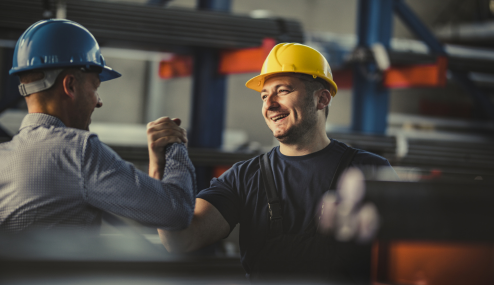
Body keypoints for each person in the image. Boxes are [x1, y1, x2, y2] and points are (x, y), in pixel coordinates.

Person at [157, 43, 397, 281]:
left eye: (282, 90)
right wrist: (160, 164)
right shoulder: (244, 177)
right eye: (264, 95)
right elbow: (180, 239)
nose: (269, 104)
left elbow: (404, 255)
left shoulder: (370, 171)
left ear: (321, 99)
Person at [0, 19, 196, 233]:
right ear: (70, 85)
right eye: (95, 88)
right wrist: (175, 145)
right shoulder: (78, 152)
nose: (98, 101)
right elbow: (177, 211)